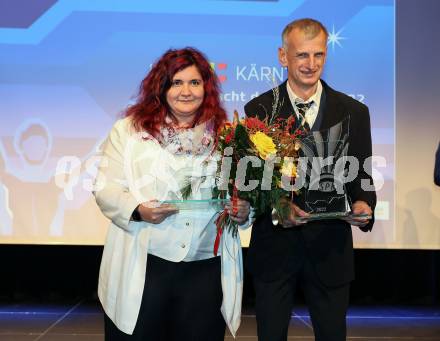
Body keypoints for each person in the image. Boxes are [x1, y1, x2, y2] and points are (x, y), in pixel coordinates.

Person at [94, 47, 250, 340]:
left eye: (194, 82)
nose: (186, 91)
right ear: (161, 87)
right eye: (176, 82)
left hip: (205, 270)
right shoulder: (128, 131)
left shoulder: (228, 135)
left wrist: (244, 211)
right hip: (146, 265)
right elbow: (105, 188)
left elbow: (244, 194)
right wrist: (139, 210)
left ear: (207, 87)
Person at [244, 19, 376, 341]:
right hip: (275, 252)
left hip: (330, 252)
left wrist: (364, 204)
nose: (311, 64)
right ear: (283, 56)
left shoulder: (354, 112)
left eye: (319, 54)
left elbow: (363, 176)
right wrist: (278, 208)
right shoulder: (258, 109)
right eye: (302, 55)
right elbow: (252, 183)